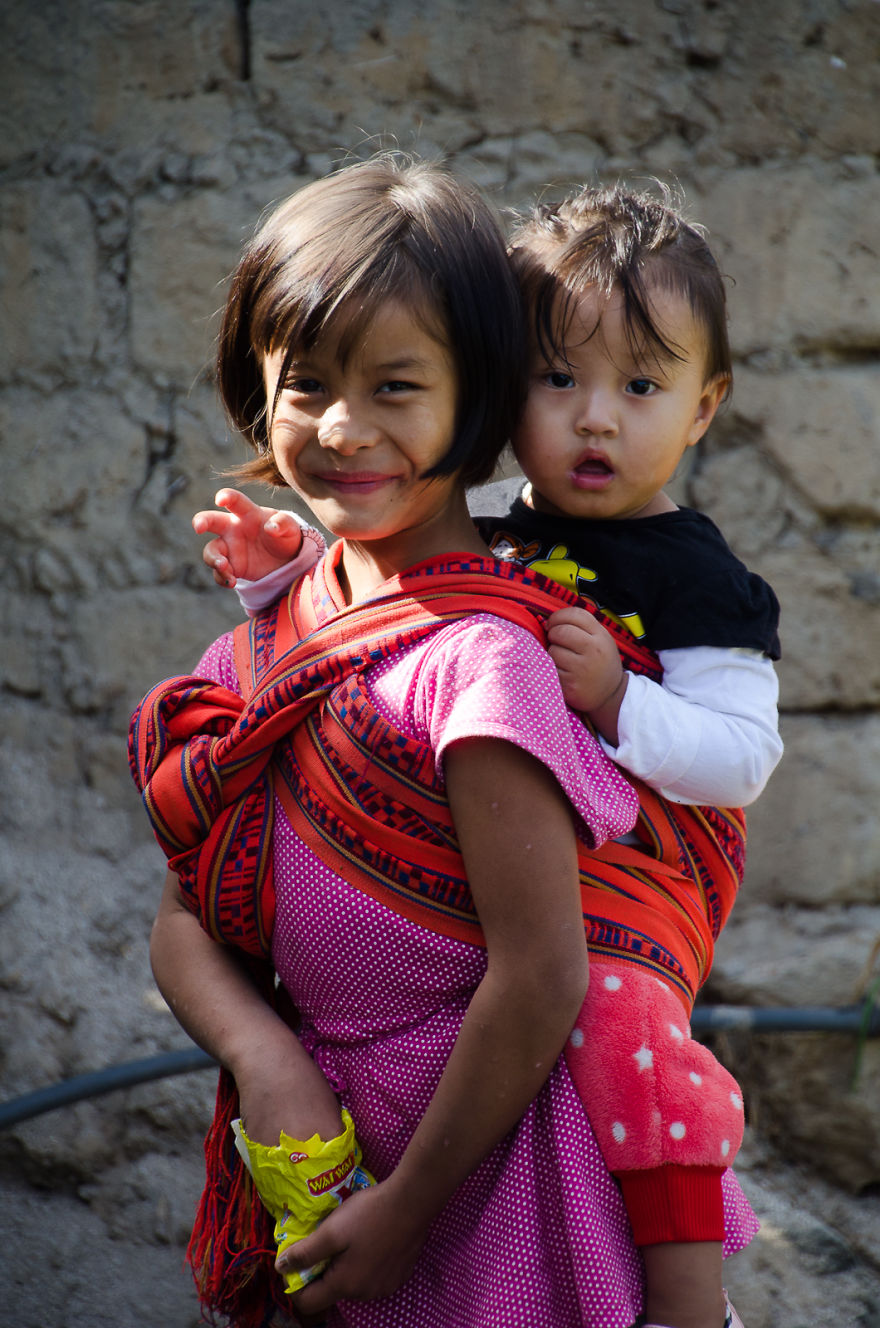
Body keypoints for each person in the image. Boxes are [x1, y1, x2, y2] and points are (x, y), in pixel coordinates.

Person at [130, 156, 757, 1328]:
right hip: (330, 1160)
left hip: (495, 1183)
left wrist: (409, 1205)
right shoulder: (269, 648)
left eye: (396, 386)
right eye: (305, 383)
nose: (342, 427)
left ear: (478, 398)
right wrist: (267, 1059)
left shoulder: (486, 662)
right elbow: (183, 916)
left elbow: (543, 975)